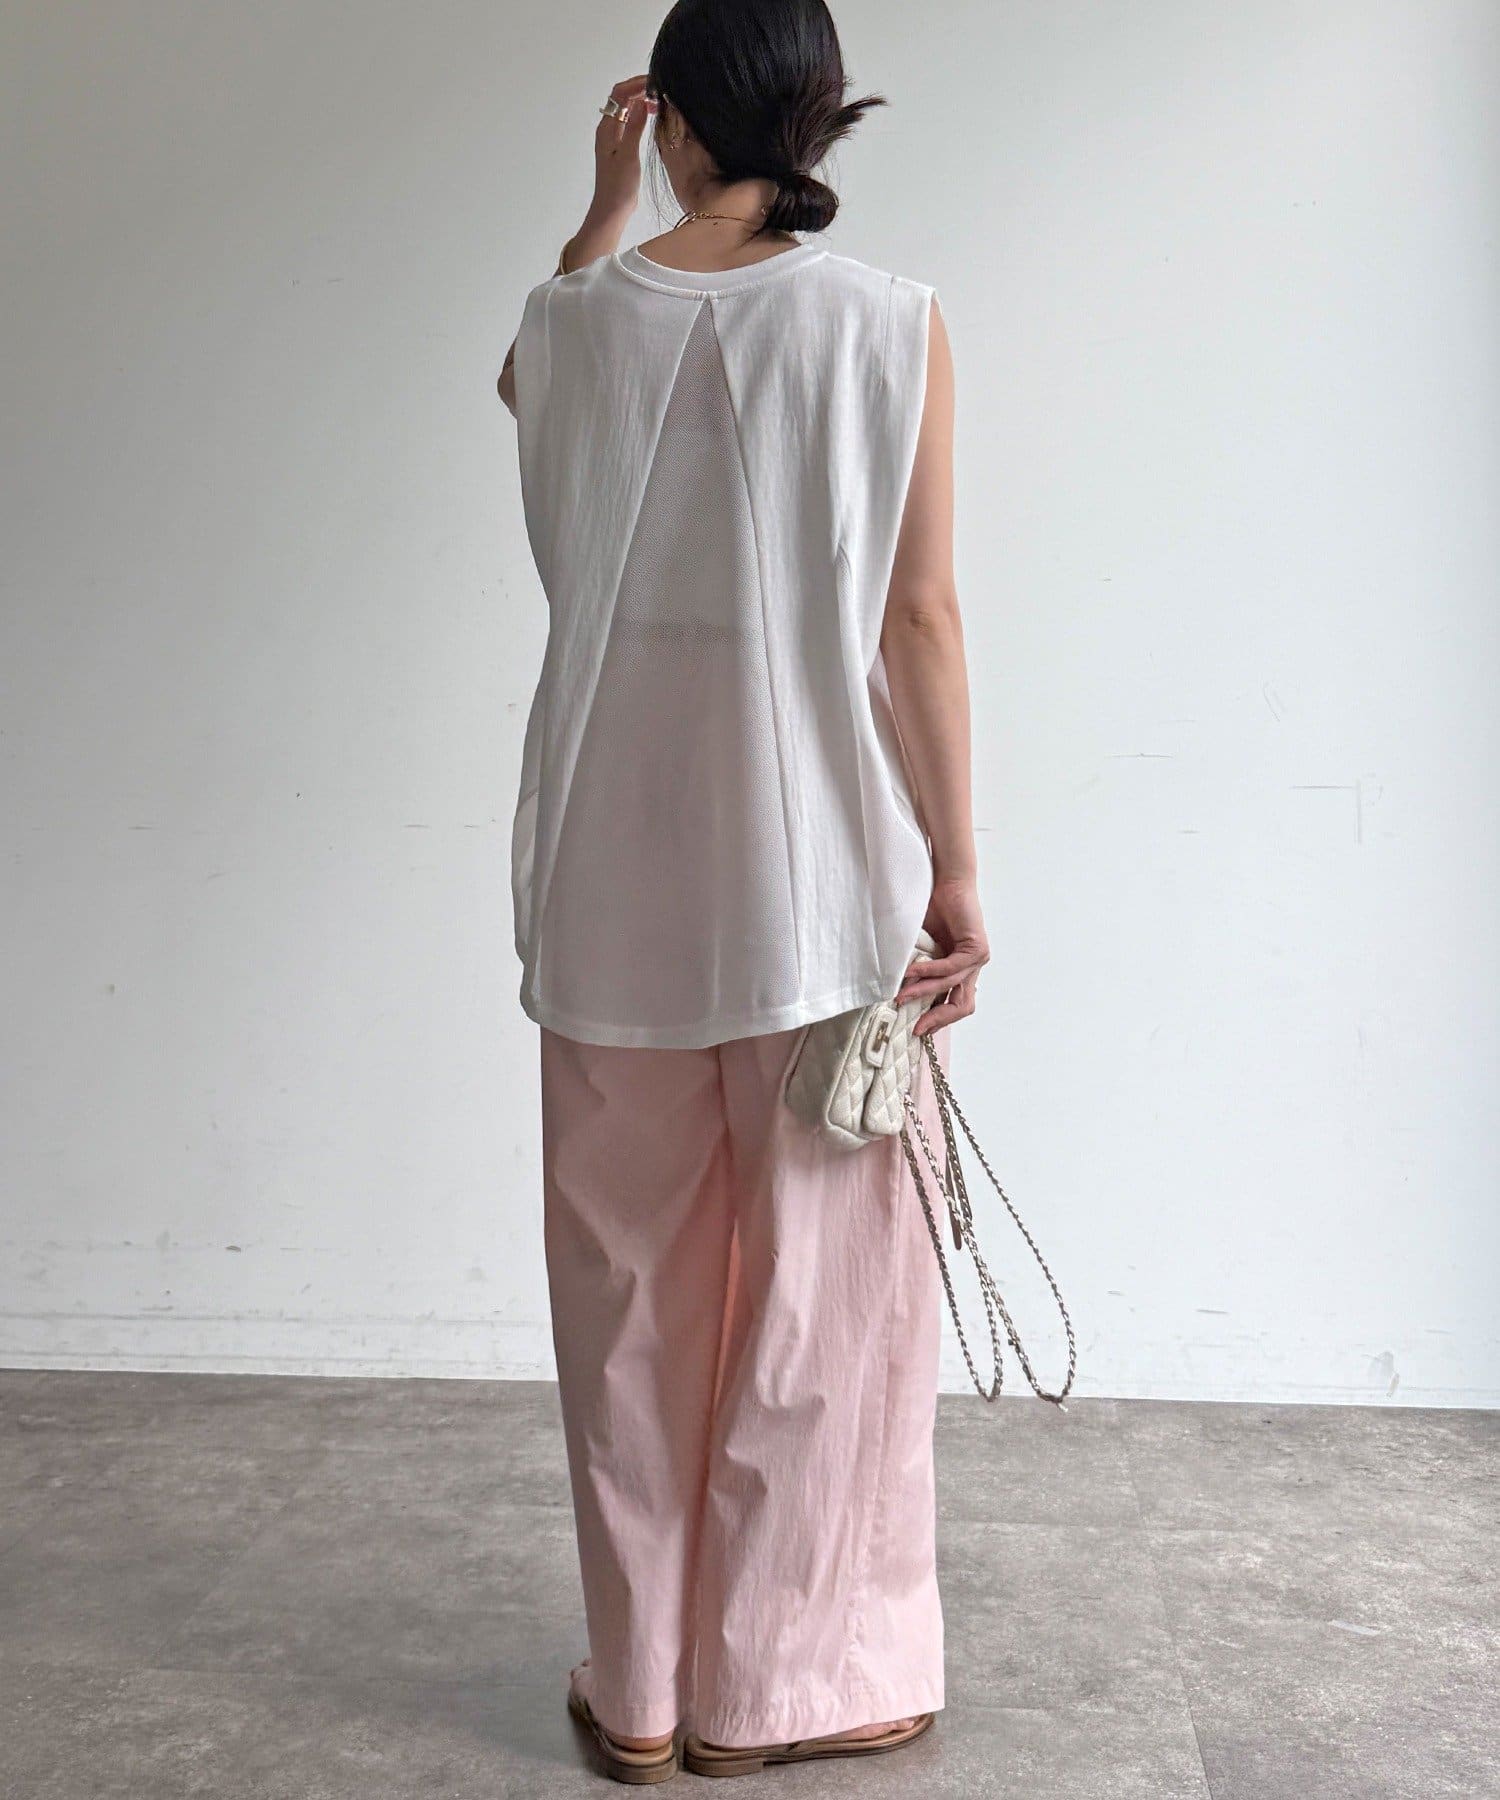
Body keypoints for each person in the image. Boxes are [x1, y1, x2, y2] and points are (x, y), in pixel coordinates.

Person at [498, 0, 987, 1781]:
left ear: (671, 117)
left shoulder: (571, 319)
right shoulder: (890, 322)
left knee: (626, 1294)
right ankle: (777, 1692)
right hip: (817, 888)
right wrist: (958, 864)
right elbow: (917, 619)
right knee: (819, 1308)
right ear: (822, 118)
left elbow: (533, 374)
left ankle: (637, 1690)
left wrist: (601, 208)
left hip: (605, 881)